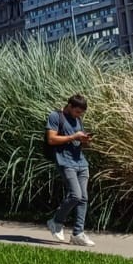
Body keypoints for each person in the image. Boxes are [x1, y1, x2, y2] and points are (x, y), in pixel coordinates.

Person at [46, 93, 96, 246]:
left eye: (81, 113)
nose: (79, 115)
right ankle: (56, 221)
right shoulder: (56, 116)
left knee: (83, 198)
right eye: (77, 111)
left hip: (81, 161)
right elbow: (51, 139)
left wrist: (84, 140)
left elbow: (77, 139)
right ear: (69, 106)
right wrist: (74, 136)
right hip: (65, 161)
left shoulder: (77, 119)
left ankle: (78, 234)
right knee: (75, 195)